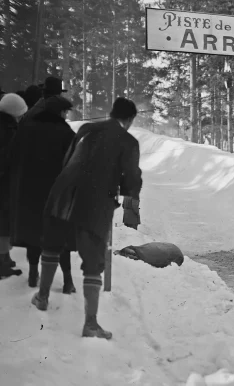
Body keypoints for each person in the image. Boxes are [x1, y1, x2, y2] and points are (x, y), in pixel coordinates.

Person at [32, 97, 142, 341]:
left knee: (51, 246)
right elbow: (132, 179)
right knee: (93, 262)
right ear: (130, 119)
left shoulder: (86, 129)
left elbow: (67, 160)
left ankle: (42, 297)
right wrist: (126, 194)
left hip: (61, 193)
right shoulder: (128, 141)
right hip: (95, 203)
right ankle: (90, 324)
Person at [8, 95, 76, 291]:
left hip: (29, 192)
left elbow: (13, 158)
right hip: (57, 194)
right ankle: (68, 281)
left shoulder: (25, 129)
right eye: (65, 112)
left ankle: (32, 273)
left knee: (33, 233)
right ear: (60, 113)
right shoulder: (67, 134)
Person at [0, 93, 28, 278]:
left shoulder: (6, 127)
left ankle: (5, 258)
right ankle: (2, 265)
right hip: (4, 184)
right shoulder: (8, 131)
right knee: (3, 225)